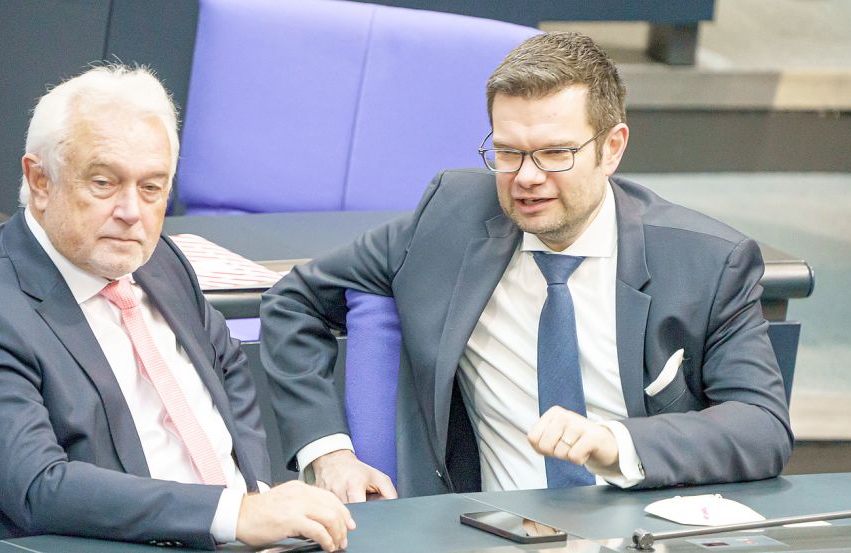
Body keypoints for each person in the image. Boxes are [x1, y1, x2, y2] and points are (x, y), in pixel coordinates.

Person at [259, 32, 793, 501]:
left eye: (555, 153)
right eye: (509, 152)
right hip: (487, 529)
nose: (526, 177)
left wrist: (616, 442)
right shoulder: (451, 221)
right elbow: (295, 299)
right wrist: (327, 452)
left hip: (641, 525)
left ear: (612, 148)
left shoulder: (705, 262)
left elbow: (761, 426)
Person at [0, 65, 353, 551]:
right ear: (39, 181)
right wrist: (231, 513)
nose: (131, 212)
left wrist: (252, 492)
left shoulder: (157, 259)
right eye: (103, 183)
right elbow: (40, 486)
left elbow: (224, 365)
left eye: (151, 188)